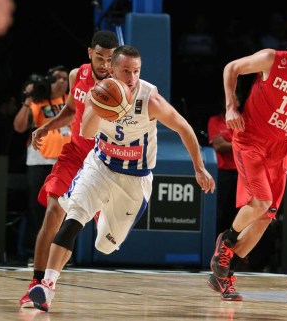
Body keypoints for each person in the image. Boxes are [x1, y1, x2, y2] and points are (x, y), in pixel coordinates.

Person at [27, 44, 216, 312]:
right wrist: (100, 107)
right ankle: (47, 287)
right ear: (112, 70)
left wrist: (199, 167)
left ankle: (102, 211)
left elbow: (184, 128)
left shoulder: (150, 99)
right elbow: (88, 131)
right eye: (125, 71)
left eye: (136, 71)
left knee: (105, 245)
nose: (131, 77)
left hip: (134, 179)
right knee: (73, 218)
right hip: (100, 165)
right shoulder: (99, 94)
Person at [208, 18, 287, 301]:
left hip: (279, 150)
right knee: (259, 203)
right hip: (250, 140)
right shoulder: (272, 59)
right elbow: (231, 68)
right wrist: (230, 107)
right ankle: (225, 243)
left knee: (265, 218)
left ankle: (224, 275)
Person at [18, 30, 119, 308]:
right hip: (74, 154)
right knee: (53, 213)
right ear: (90, 53)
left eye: (110, 59)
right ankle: (36, 285)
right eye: (100, 57)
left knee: (103, 237)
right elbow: (72, 110)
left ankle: (49, 282)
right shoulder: (78, 75)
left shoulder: (120, 85)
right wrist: (46, 126)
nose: (104, 64)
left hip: (101, 162)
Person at [13, 68, 71, 260]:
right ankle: (34, 253)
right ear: (48, 81)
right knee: (38, 208)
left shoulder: (71, 102)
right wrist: (27, 100)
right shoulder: (37, 102)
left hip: (66, 162)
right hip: (40, 161)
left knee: (65, 209)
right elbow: (19, 127)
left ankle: (59, 255)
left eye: (65, 78)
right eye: (57, 78)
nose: (62, 82)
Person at [207, 100, 238, 236]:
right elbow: (219, 146)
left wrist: (231, 144)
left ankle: (233, 250)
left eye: (237, 99)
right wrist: (240, 145)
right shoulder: (214, 121)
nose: (235, 102)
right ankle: (216, 245)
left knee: (237, 213)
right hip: (222, 173)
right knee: (220, 212)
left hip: (240, 173)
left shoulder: (241, 121)